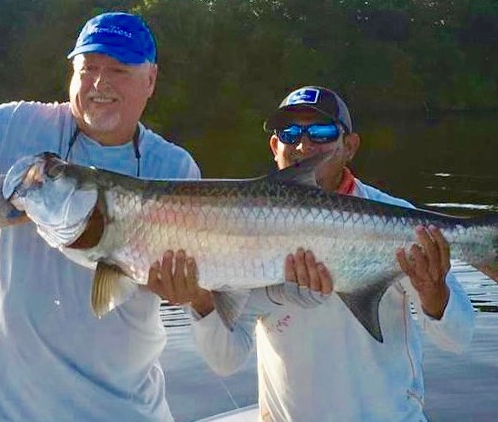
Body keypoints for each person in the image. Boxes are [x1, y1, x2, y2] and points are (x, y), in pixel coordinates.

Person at [0, 12, 200, 421]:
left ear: (150, 80)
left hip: (125, 410)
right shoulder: (14, 125)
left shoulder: (174, 167)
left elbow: (191, 286)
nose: (100, 83)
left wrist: (184, 291)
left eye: (118, 69)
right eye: (89, 68)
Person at [152, 86, 476, 422]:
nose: (303, 146)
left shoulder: (396, 220)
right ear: (275, 147)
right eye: (289, 134)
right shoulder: (241, 231)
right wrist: (201, 301)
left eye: (321, 132)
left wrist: (432, 290)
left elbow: (458, 337)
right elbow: (226, 360)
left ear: (349, 146)